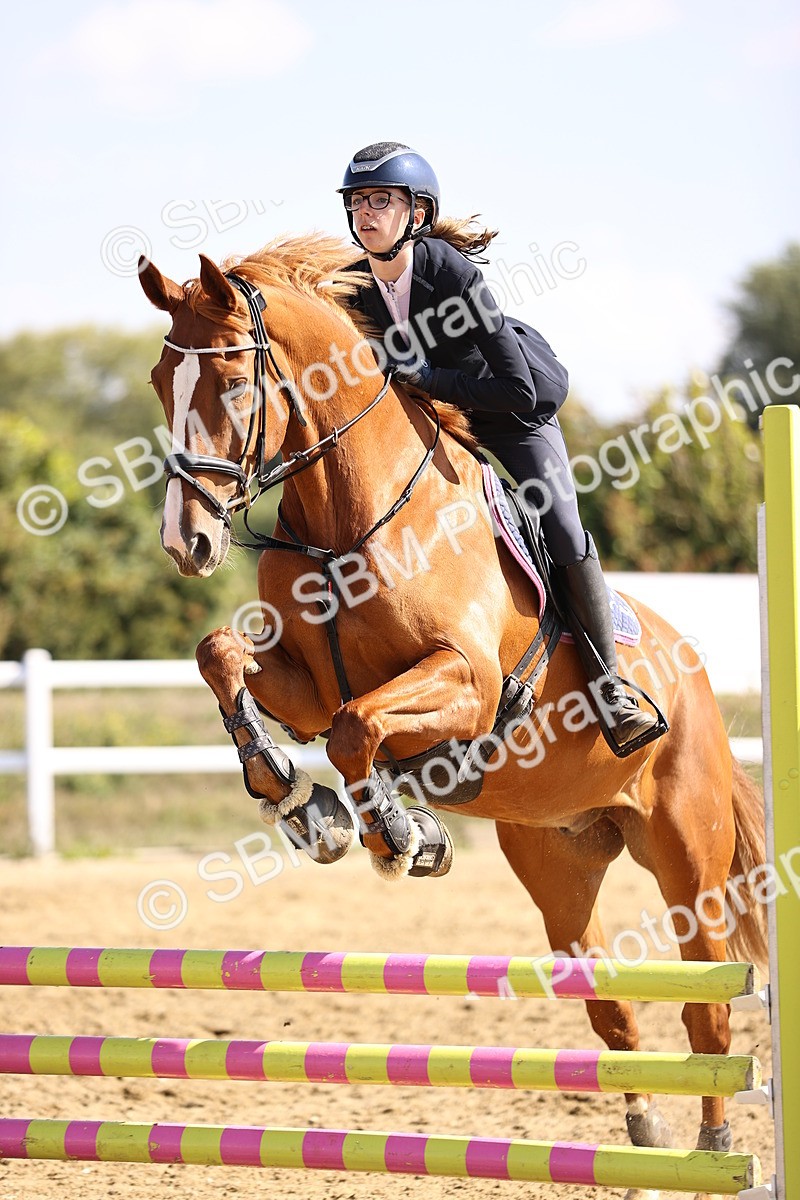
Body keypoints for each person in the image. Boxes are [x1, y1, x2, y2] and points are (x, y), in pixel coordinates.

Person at [337, 141, 661, 752]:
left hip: (512, 413)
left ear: (417, 213)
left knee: (560, 524)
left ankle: (610, 689)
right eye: (357, 201)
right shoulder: (354, 285)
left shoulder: (451, 274)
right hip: (437, 419)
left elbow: (516, 387)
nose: (365, 213)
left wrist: (425, 378)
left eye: (381, 200)